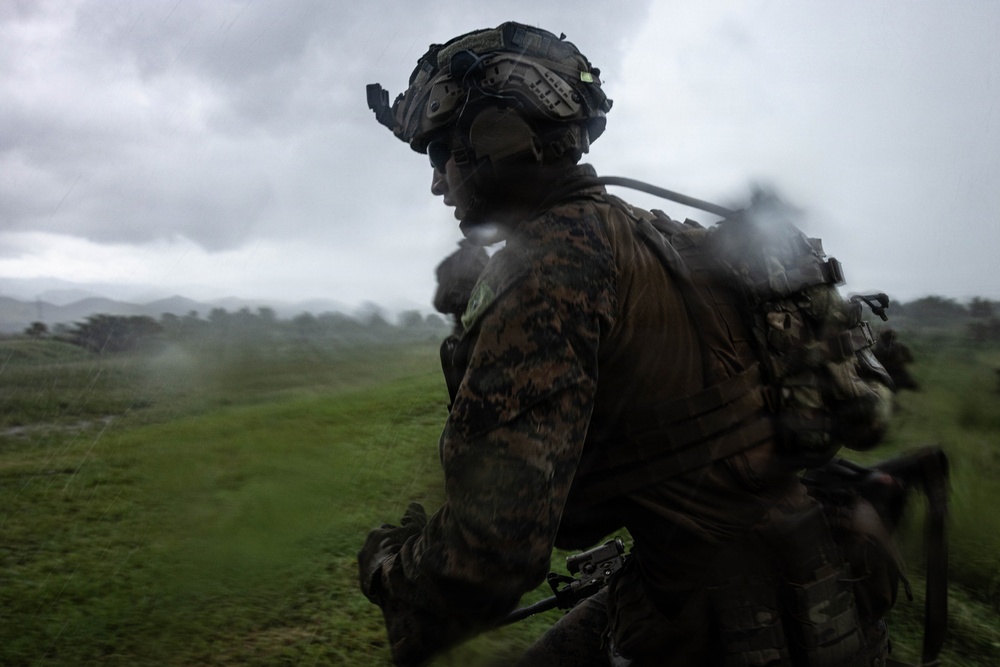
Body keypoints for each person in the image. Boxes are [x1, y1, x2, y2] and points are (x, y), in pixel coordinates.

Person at [361, 22, 891, 666]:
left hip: (713, 630)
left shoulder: (545, 268)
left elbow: (492, 551)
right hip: (829, 593)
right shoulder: (655, 232)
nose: (439, 182)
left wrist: (391, 568)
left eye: (440, 154)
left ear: (493, 142)